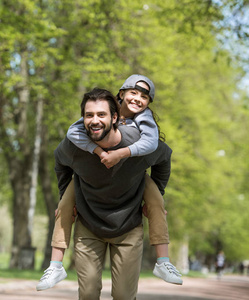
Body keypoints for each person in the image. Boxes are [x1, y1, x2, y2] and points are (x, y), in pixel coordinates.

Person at [36, 76, 182, 292]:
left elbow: (160, 152)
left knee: (124, 294)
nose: (95, 120)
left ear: (113, 117)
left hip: (128, 223)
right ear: (120, 95)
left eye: (144, 97)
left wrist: (153, 194)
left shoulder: (139, 136)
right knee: (87, 292)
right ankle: (55, 265)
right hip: (89, 221)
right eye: (89, 115)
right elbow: (62, 157)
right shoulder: (77, 141)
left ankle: (163, 261)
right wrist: (66, 193)